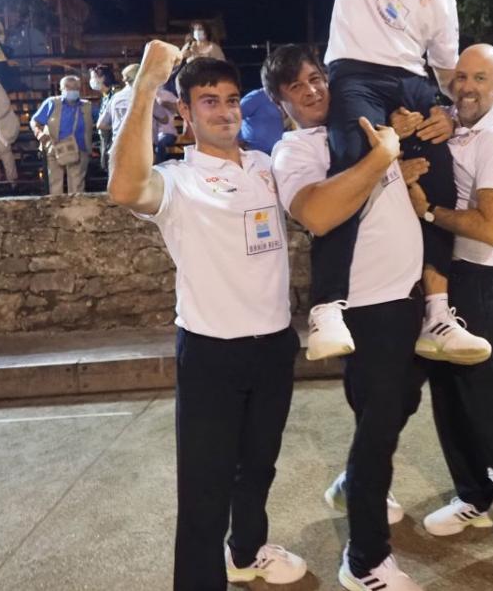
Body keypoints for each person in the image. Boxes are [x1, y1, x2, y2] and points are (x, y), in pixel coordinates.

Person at [274, 0, 468, 363]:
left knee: (441, 179)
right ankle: (327, 306)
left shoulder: (446, 0)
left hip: (412, 84)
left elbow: (450, 74)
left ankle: (437, 312)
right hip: (356, 72)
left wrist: (451, 111)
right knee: (348, 167)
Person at [107, 42, 308, 591]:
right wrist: (147, 84)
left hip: (273, 345)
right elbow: (124, 188)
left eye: (230, 100)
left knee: (259, 467)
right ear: (188, 115)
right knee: (204, 487)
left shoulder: (268, 166)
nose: (224, 111)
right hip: (211, 351)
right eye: (209, 102)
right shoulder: (178, 180)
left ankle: (246, 552)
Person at [266, 43, 431, 591]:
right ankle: (364, 562)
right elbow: (317, 212)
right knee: (379, 426)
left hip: (405, 295)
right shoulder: (295, 151)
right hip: (365, 305)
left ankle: (354, 483)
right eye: (297, 86)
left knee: (399, 401)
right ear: (280, 102)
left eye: (317, 78)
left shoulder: (360, 130)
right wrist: (382, 158)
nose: (313, 90)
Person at [407, 44, 493, 591]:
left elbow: (490, 228)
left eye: (479, 78)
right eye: (459, 76)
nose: (466, 86)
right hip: (447, 281)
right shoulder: (455, 127)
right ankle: (472, 494)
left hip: (485, 284)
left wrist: (427, 209)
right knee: (447, 401)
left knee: (488, 410)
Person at [30, 75, 93, 195]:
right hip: (55, 149)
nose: (72, 90)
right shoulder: (52, 103)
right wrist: (39, 134)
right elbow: (35, 121)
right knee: (55, 184)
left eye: (75, 87)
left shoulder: (87, 106)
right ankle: (56, 211)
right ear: (61, 88)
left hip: (79, 149)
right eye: (68, 87)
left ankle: (76, 212)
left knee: (77, 188)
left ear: (79, 88)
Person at [239, 86, 286, 155]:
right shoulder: (255, 97)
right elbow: (234, 116)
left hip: (277, 153)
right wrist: (238, 139)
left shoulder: (282, 98)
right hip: (254, 153)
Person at [89, 64, 119, 169]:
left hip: (114, 137)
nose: (91, 81)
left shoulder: (115, 95)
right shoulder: (105, 96)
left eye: (93, 77)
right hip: (105, 137)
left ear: (103, 78)